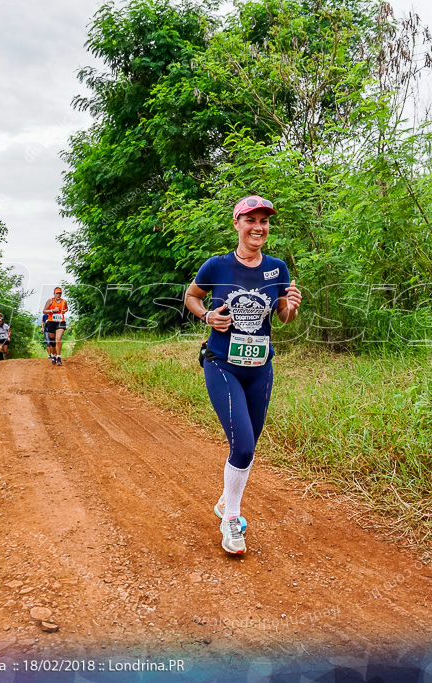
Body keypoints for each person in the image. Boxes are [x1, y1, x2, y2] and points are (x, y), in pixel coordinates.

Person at [183, 195, 302, 555]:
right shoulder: (217, 266)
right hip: (222, 364)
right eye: (251, 220)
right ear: (237, 223)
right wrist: (206, 316)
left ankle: (225, 501)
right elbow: (191, 296)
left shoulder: (277, 268)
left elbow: (283, 318)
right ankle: (231, 519)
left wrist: (292, 307)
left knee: (247, 449)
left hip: (260, 368)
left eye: (264, 222)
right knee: (244, 444)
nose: (258, 228)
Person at [43, 287, 68, 366]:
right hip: (51, 322)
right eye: (57, 293)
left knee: (58, 339)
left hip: (61, 322)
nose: (58, 295)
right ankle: (53, 355)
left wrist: (64, 311)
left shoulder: (64, 301)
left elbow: (66, 308)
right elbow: (44, 311)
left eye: (60, 293)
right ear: (54, 293)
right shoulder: (50, 301)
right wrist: (52, 311)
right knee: (52, 342)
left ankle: (59, 357)